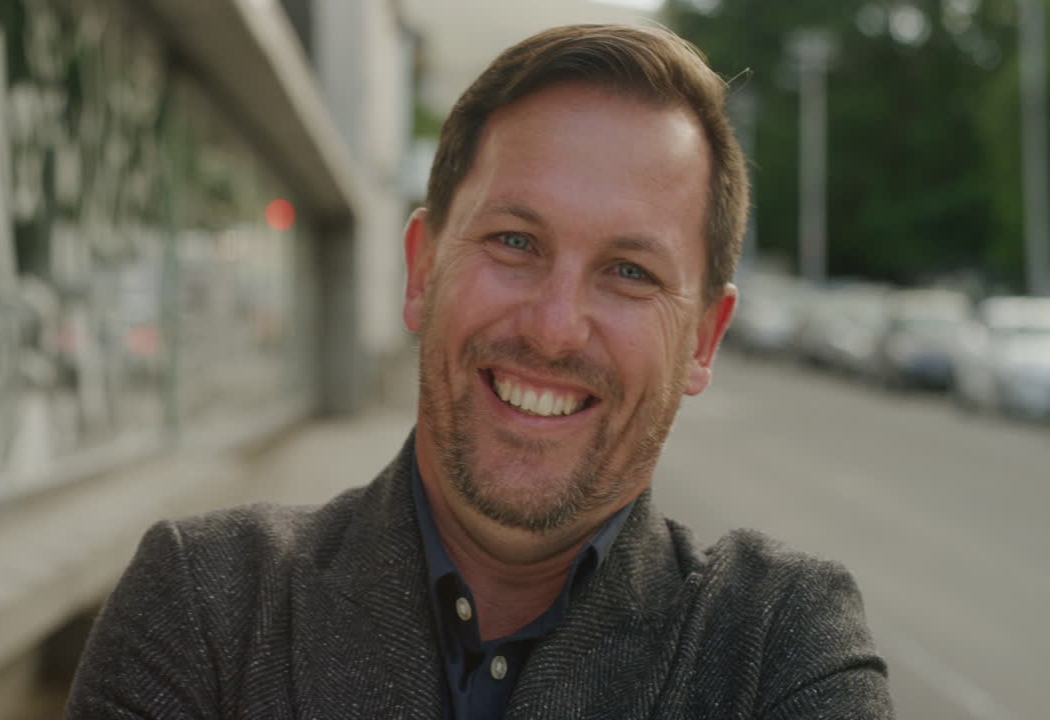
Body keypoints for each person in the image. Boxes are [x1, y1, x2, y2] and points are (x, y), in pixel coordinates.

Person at [66, 23, 893, 719]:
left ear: (705, 343)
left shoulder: (781, 647)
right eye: (515, 242)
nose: (555, 328)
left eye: (631, 272)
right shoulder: (205, 603)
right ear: (422, 271)